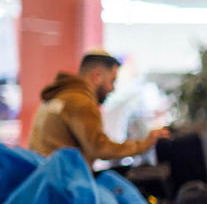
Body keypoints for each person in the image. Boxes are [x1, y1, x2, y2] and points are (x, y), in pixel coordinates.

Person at [27, 49, 168, 166]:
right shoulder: (80, 102)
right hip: (63, 182)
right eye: (112, 81)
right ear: (97, 76)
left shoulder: (57, 96)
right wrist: (145, 144)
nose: (112, 89)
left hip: (44, 178)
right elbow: (100, 148)